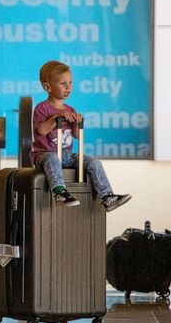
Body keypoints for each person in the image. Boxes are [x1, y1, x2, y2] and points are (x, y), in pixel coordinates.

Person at [32, 60, 131, 211]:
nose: (68, 87)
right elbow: (41, 130)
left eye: (70, 82)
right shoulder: (42, 108)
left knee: (92, 162)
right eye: (63, 83)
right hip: (45, 154)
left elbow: (77, 135)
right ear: (47, 87)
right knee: (52, 159)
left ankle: (107, 197)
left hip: (66, 154)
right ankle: (60, 193)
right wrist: (56, 118)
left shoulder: (70, 109)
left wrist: (77, 122)